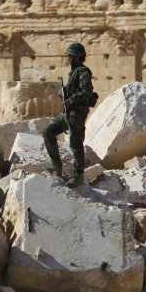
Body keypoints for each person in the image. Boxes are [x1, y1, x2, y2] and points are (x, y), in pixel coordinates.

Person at [42, 42, 95, 188]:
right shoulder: (73, 73)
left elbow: (86, 92)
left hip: (77, 112)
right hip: (68, 111)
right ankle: (56, 166)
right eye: (69, 56)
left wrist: (71, 99)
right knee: (48, 131)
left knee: (75, 142)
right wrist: (63, 92)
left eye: (71, 56)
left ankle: (79, 176)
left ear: (79, 57)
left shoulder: (84, 72)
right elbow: (73, 90)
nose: (69, 59)